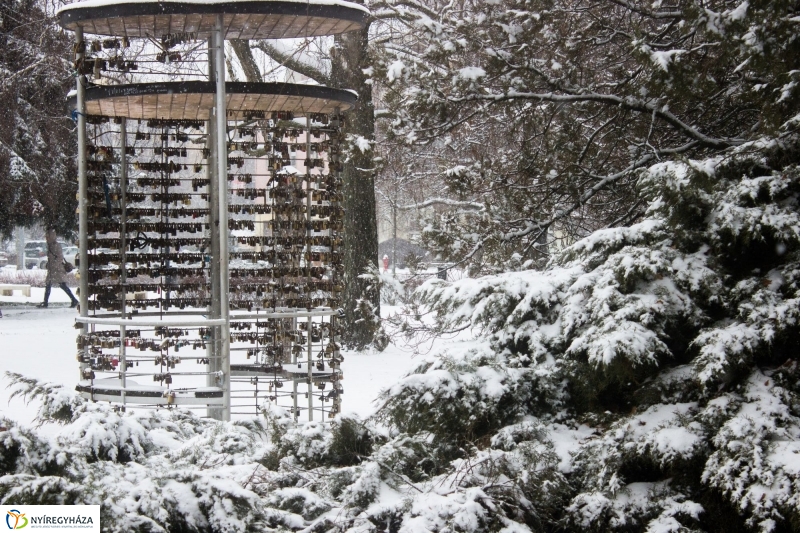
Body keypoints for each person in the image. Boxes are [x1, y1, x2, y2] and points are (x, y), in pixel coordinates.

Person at [38, 228, 78, 308]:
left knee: (62, 285)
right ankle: (45, 302)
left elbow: (59, 257)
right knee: (48, 285)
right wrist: (49, 265)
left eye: (48, 236)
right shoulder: (49, 245)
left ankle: (74, 300)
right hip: (52, 269)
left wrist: (52, 265)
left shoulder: (56, 245)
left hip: (57, 270)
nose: (46, 238)